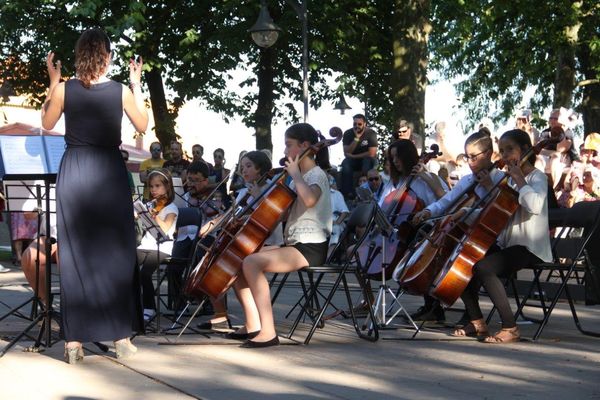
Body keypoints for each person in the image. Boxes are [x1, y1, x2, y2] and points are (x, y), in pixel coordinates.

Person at [41, 28, 148, 364]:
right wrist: (136, 84)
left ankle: (74, 342)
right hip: (108, 171)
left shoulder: (64, 89)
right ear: (108, 56)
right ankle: (120, 337)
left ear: (79, 55)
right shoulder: (119, 92)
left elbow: (46, 123)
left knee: (75, 254)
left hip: (74, 171)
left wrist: (52, 81)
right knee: (116, 253)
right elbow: (143, 125)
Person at [230, 123, 332, 347]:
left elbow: (310, 200)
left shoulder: (315, 174)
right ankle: (252, 324)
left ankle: (268, 331)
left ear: (305, 146)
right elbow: (284, 214)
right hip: (295, 243)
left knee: (252, 262)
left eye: (289, 145)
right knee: (239, 260)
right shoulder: (299, 177)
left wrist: (295, 175)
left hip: (310, 247)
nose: (285, 151)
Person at [451, 129, 552, 343]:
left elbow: (534, 205)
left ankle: (510, 327)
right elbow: (497, 211)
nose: (505, 156)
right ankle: (477, 321)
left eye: (510, 150)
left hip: (529, 247)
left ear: (525, 150)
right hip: (509, 245)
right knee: (463, 262)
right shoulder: (511, 181)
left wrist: (520, 180)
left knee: (484, 268)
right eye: (502, 151)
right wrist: (466, 213)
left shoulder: (537, 177)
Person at [412, 129, 504, 322]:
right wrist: (428, 211)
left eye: (474, 157)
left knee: (471, 260)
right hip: (469, 235)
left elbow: (498, 212)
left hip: (493, 238)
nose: (470, 163)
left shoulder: (500, 178)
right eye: (467, 157)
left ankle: (472, 314)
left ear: (488, 154)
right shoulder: (468, 180)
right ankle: (434, 305)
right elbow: (446, 201)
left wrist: (488, 186)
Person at [197, 151, 284, 330]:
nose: (243, 170)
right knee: (211, 257)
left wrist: (259, 193)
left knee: (233, 264)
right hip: (247, 240)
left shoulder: (271, 188)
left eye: (249, 166)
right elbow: (232, 214)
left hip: (266, 242)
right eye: (242, 166)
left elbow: (270, 216)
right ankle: (220, 313)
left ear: (261, 169)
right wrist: (214, 224)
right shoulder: (244, 190)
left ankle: (252, 321)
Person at [137, 169, 178, 322]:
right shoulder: (150, 204)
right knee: (126, 266)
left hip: (163, 247)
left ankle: (149, 308)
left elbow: (166, 228)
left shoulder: (171, 208)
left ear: (167, 187)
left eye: (157, 186)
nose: (153, 190)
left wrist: (153, 214)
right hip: (145, 245)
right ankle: (133, 304)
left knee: (145, 273)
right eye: (151, 187)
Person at [340, 114, 378, 200]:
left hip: (367, 159)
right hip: (353, 161)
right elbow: (346, 152)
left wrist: (353, 156)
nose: (357, 126)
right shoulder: (348, 133)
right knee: (346, 163)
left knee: (367, 162)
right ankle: (348, 193)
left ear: (365, 124)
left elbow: (371, 153)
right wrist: (356, 139)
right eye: (355, 124)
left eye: (359, 124)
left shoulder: (371, 133)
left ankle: (367, 192)